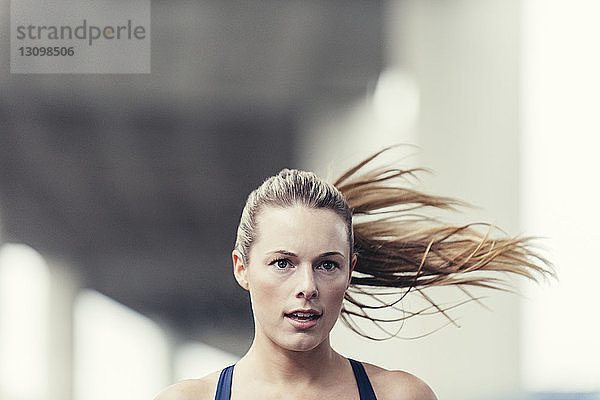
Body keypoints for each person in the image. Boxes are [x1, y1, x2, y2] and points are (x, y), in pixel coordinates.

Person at [155, 147, 551, 400]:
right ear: (242, 269)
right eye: (283, 263)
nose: (307, 287)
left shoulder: (400, 396)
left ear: (350, 270)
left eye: (327, 264)